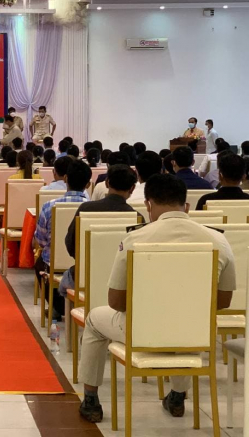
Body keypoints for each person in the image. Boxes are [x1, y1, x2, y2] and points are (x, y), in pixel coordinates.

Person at [78, 174, 235, 423]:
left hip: (141, 331)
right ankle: (177, 396)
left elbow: (116, 301)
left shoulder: (135, 239)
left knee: (94, 321)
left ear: (148, 204)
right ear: (186, 206)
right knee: (191, 322)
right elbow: (224, 302)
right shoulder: (219, 240)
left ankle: (91, 400)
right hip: (195, 333)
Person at [33, 160, 91, 318]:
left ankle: (56, 307)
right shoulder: (93, 208)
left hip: (52, 263)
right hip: (84, 264)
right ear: (88, 184)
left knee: (39, 263)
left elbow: (40, 241)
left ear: (65, 178)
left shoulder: (49, 206)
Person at [65, 164, 140, 258]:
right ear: (132, 188)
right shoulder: (137, 218)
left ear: (107, 183)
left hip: (86, 265)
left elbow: (71, 244)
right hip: (123, 267)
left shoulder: (85, 209)